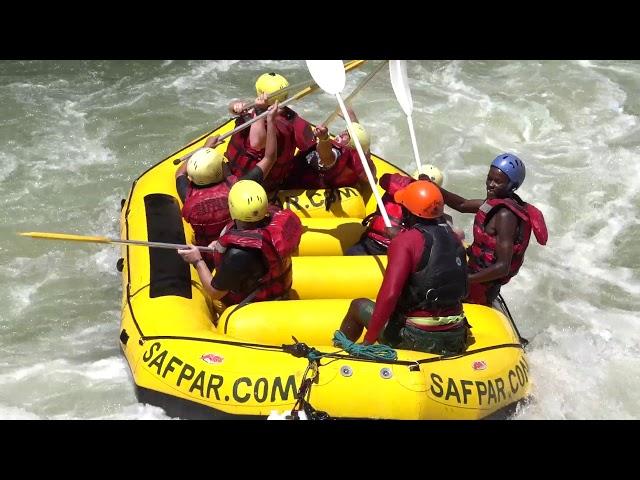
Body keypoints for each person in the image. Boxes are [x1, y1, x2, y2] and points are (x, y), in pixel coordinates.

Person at [338, 180, 470, 355]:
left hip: (418, 337)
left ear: (408, 212)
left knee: (358, 306)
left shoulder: (405, 242)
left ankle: (340, 357)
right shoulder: (454, 238)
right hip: (456, 335)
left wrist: (368, 342)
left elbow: (390, 294)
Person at [175, 102, 280, 266]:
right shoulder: (238, 188)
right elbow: (270, 158)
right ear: (221, 170)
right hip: (236, 249)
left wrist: (205, 148)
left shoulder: (187, 194)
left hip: (207, 255)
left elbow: (180, 173)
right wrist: (271, 121)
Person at [437, 153, 548, 306]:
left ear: (512, 186)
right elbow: (462, 205)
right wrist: (433, 187)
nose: (491, 184)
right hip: (474, 273)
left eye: (498, 182)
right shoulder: (493, 202)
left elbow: (503, 267)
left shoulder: (505, 216)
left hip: (481, 288)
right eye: (490, 178)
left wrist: (465, 279)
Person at [177, 180, 302, 311]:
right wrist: (220, 246)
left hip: (257, 306)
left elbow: (214, 293)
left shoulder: (238, 254)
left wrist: (197, 260)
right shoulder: (273, 217)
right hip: (279, 289)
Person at [224, 72, 316, 194]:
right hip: (234, 174)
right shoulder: (295, 121)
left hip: (260, 186)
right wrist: (235, 106)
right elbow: (232, 108)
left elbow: (256, 143)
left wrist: (259, 110)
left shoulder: (289, 123)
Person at [346, 164, 454, 256]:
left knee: (351, 254)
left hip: (388, 247)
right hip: (380, 244)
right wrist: (412, 184)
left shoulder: (433, 213)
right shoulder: (435, 210)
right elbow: (385, 179)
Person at [282, 108, 377, 191]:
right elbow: (362, 147)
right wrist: (352, 120)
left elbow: (327, 157)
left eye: (346, 134)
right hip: (330, 183)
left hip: (298, 185)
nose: (342, 133)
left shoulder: (338, 153)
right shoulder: (359, 160)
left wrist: (324, 139)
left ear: (351, 143)